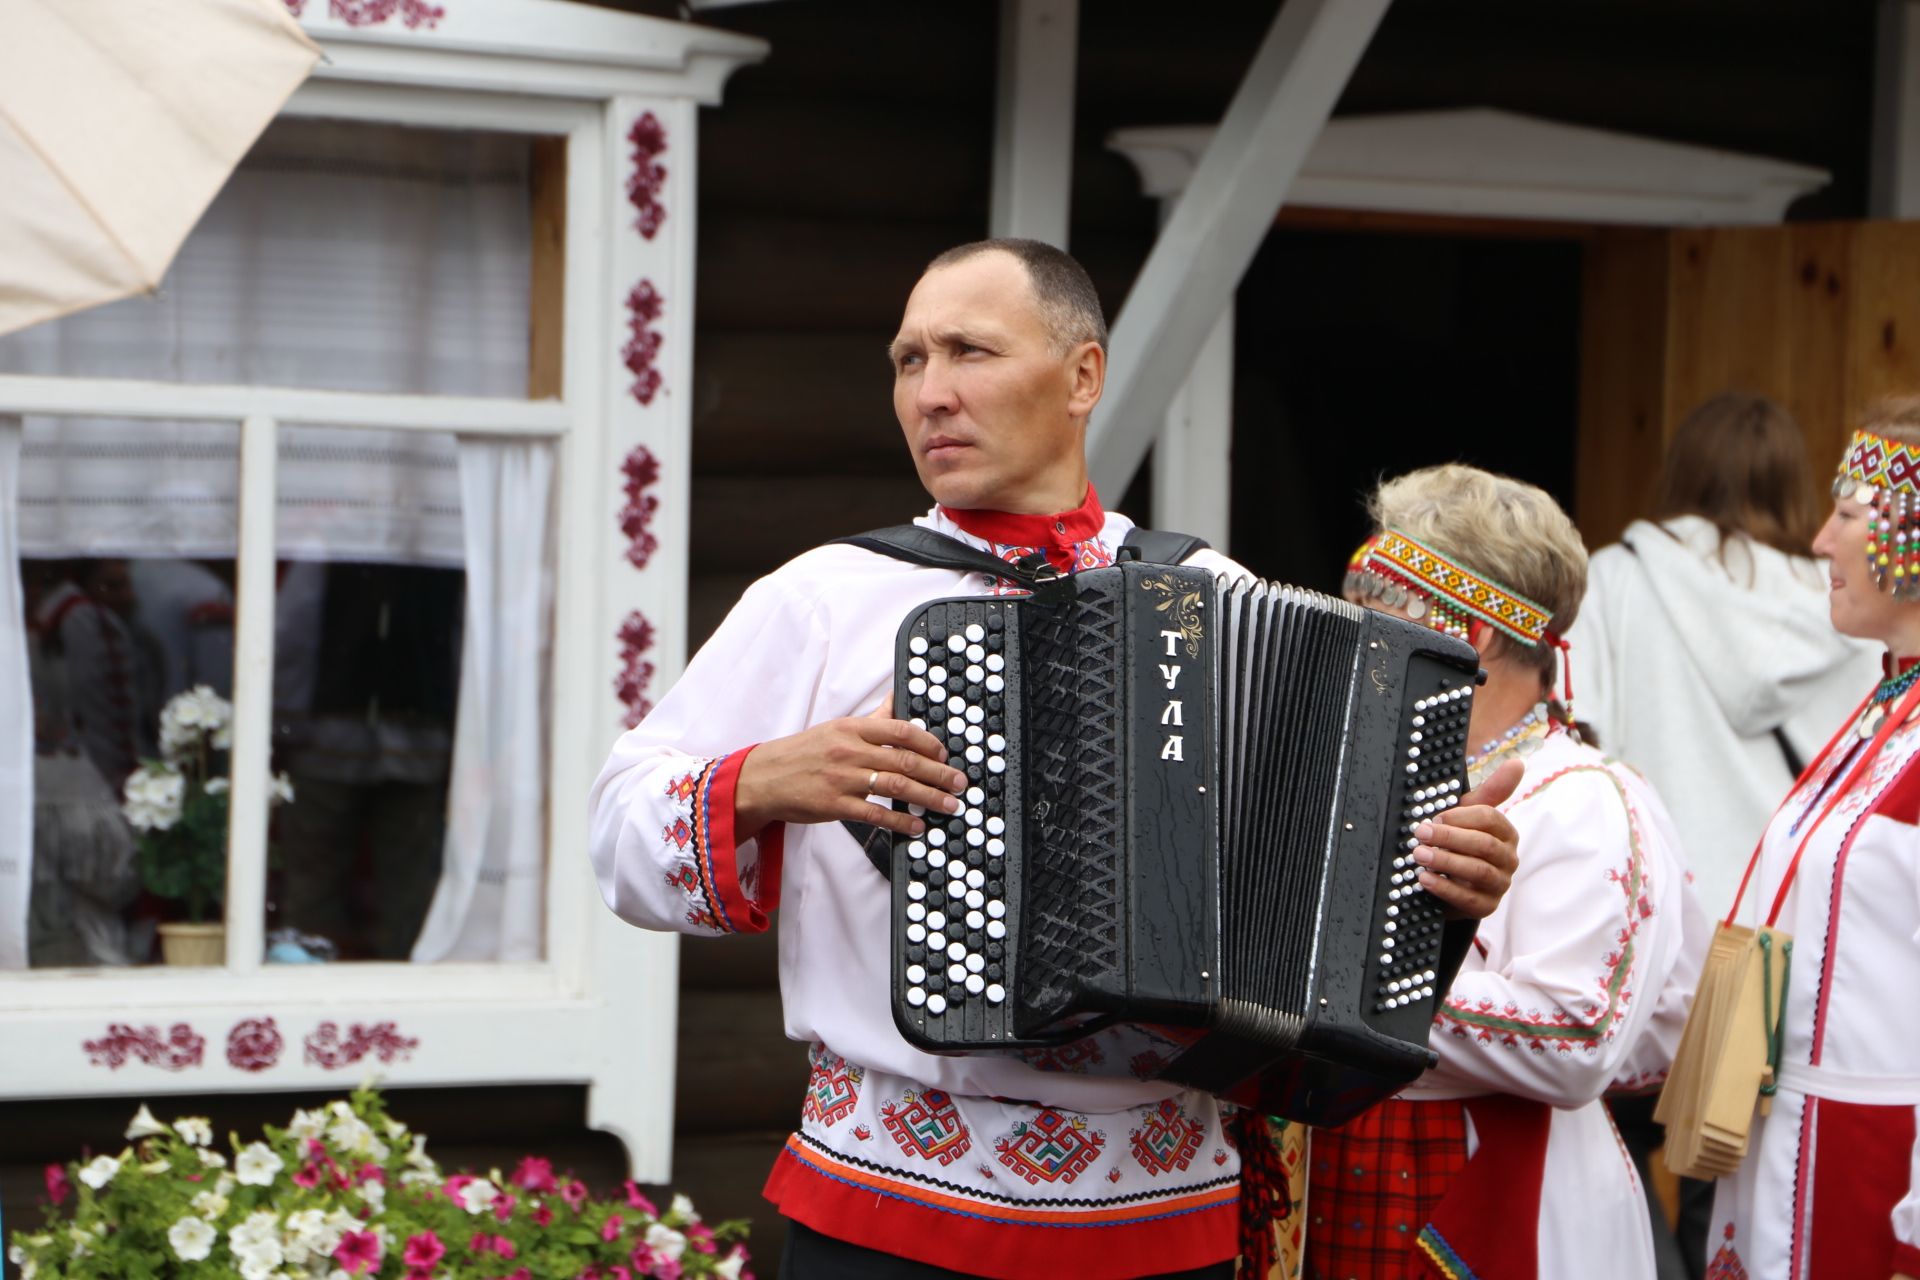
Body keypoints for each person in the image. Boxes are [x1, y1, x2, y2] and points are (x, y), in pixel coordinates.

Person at [587, 239, 1523, 1280]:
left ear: (1083, 376)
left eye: (969, 351)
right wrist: (760, 781)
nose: (931, 393)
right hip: (890, 1213)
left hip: (1164, 1222)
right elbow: (620, 824)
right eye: (907, 361)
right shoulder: (823, 597)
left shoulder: (1206, 592)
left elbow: (1325, 893)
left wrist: (1444, 881)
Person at [1317, 464, 1706, 1279]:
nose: (1353, 625)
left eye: (1378, 602)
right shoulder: (1357, 776)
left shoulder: (1589, 801)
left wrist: (1340, 978)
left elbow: (1578, 1042)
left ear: (1475, 636)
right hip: (1343, 1162)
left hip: (1485, 1190)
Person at [1706, 396, 1920, 1280]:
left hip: (1874, 1179)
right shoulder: (1883, 711)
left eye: (1849, 513)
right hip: (1790, 1151)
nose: (1821, 542)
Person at [1569, 392, 1879, 920]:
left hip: (1655, 921)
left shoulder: (1615, 579)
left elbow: (1573, 739)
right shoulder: (1853, 606)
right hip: (1792, 923)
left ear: (1683, 473)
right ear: (1793, 485)